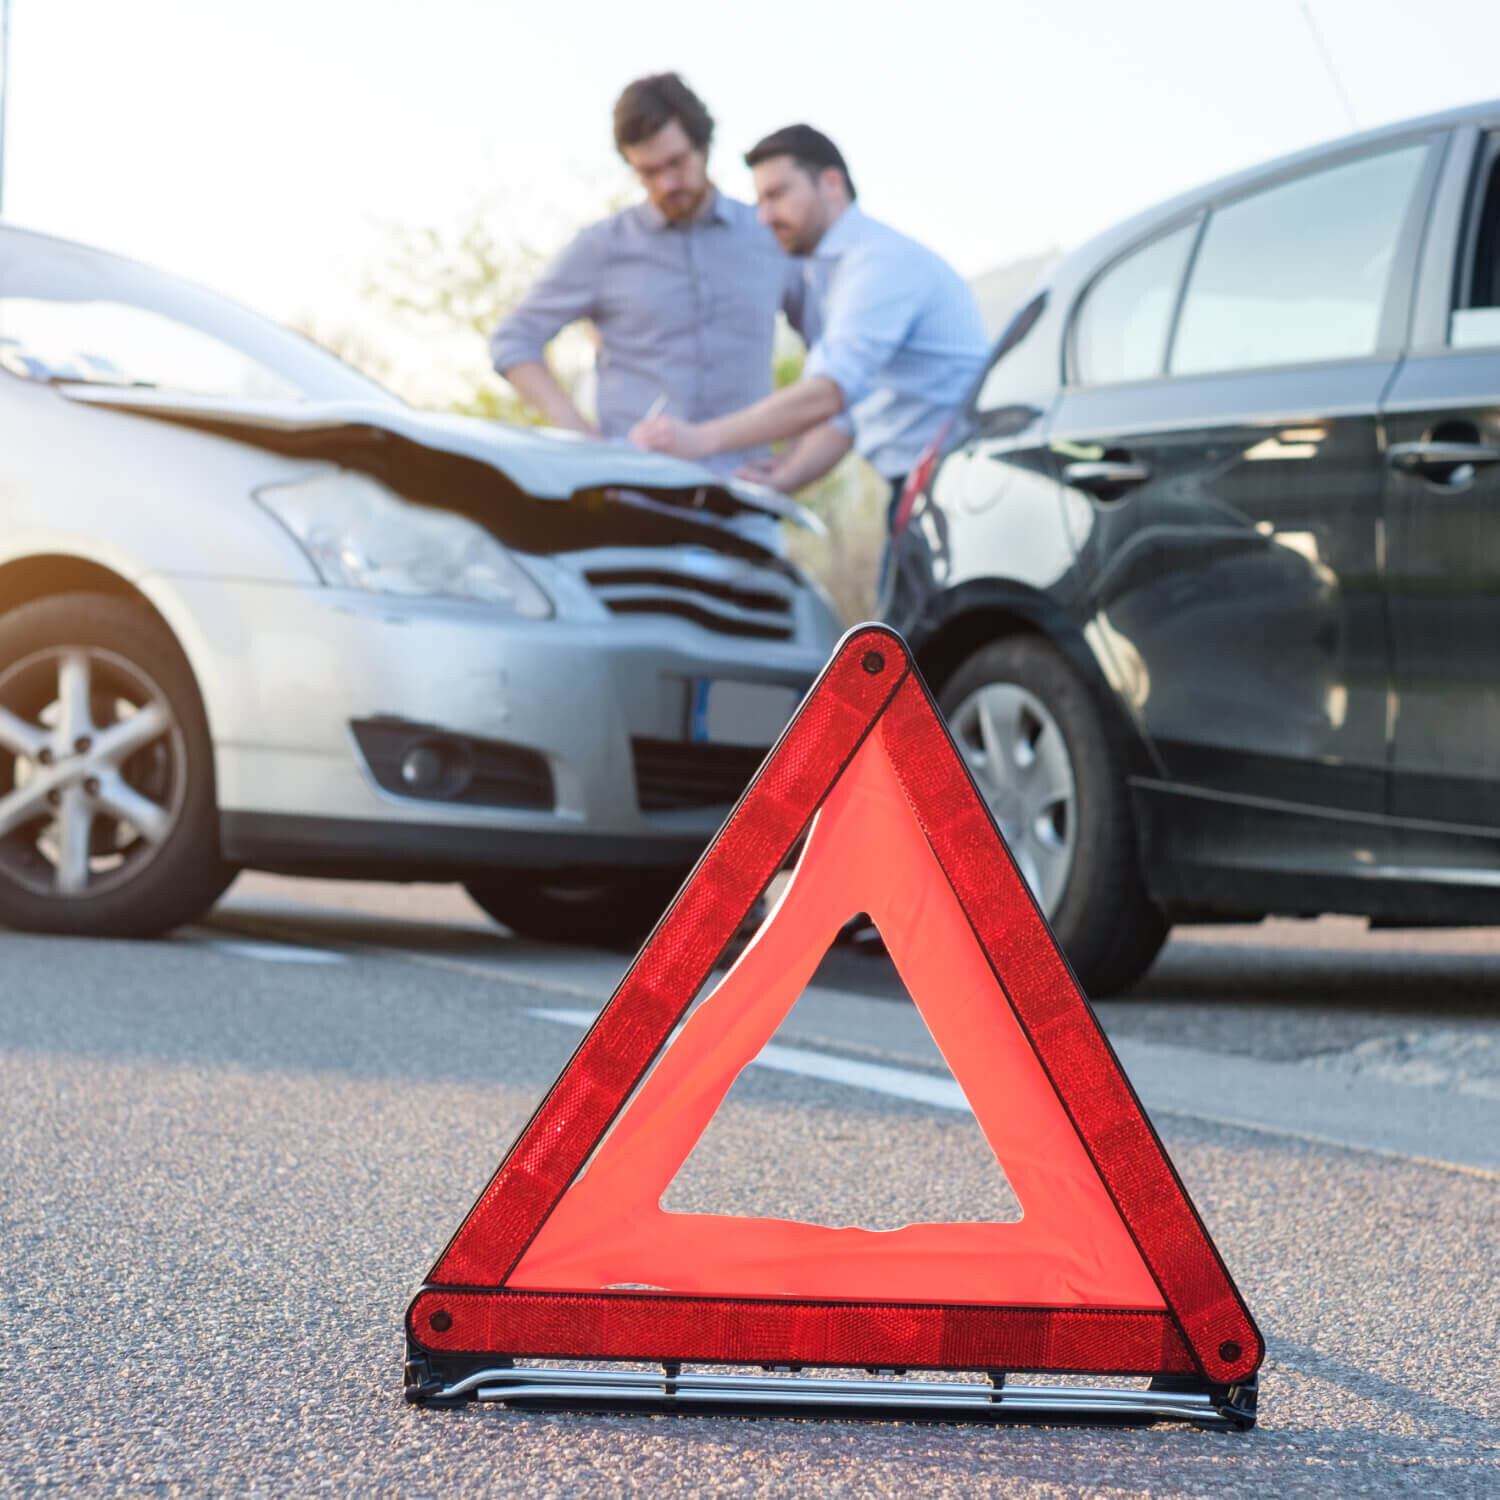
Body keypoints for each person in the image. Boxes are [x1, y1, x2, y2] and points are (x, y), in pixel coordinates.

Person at [630, 124, 990, 528]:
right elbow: (849, 414)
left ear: (831, 183)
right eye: (760, 200)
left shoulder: (878, 264)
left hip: (959, 488)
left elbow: (827, 394)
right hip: (926, 485)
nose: (764, 217)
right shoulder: (836, 273)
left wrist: (698, 440)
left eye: (777, 194)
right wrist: (783, 473)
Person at [489, 73, 802, 479]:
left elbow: (836, 359)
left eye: (676, 163)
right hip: (635, 496)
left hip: (746, 500)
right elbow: (513, 339)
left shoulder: (768, 236)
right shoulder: (603, 246)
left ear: (703, 146)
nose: (666, 184)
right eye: (648, 172)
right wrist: (584, 441)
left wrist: (794, 463)